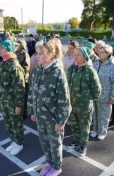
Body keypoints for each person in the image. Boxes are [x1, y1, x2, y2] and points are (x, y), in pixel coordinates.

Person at [28, 41, 71, 176]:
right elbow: (32, 92)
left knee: (55, 144)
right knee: (44, 142)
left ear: (51, 55)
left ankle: (57, 167)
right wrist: (33, 111)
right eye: (37, 53)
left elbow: (64, 100)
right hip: (40, 116)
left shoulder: (58, 73)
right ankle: (49, 162)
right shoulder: (36, 71)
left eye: (41, 54)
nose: (38, 56)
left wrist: (61, 121)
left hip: (53, 118)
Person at [67, 47, 101, 155]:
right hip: (72, 104)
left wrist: (90, 99)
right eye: (75, 55)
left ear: (84, 57)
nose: (75, 57)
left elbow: (97, 89)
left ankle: (83, 144)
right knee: (74, 125)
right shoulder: (70, 69)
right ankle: (77, 141)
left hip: (84, 106)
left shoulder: (90, 71)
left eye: (78, 55)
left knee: (84, 126)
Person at [0, 40, 25, 155]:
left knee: (16, 123)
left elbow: (20, 88)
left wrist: (18, 105)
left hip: (13, 101)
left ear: (8, 50)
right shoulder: (3, 63)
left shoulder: (14, 65)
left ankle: (19, 143)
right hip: (4, 100)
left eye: (2, 48)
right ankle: (14, 140)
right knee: (8, 122)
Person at [91, 45, 114, 140]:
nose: (99, 53)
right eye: (99, 52)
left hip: (106, 96)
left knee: (104, 115)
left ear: (108, 54)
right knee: (94, 114)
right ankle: (95, 129)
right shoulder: (95, 64)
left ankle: (102, 131)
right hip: (95, 95)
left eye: (102, 52)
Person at [15, 38, 30, 120]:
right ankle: (18, 109)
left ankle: (24, 112)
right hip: (15, 79)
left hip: (23, 79)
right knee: (17, 96)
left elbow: (26, 68)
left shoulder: (24, 54)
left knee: (24, 96)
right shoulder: (14, 54)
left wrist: (22, 77)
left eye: (18, 44)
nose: (16, 46)